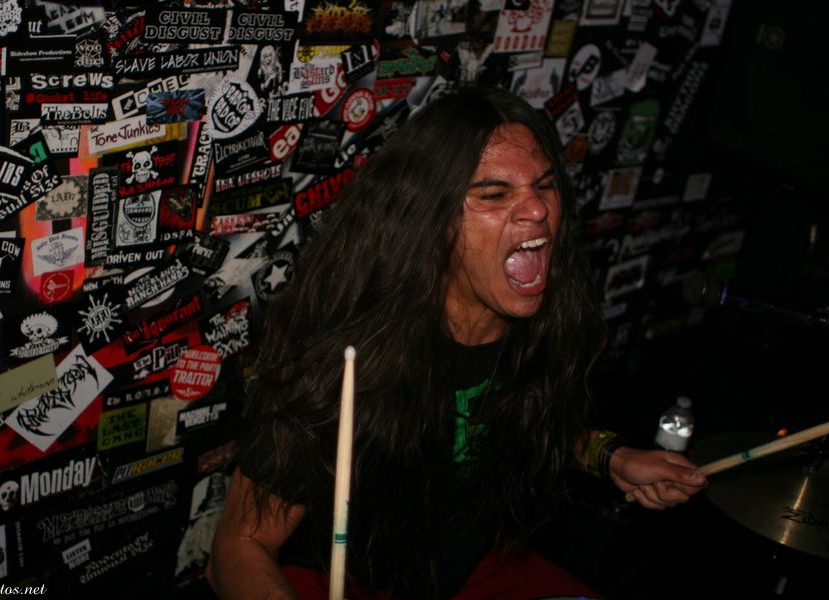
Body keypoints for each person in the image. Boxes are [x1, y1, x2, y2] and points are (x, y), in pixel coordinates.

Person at [206, 86, 706, 599]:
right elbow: (237, 548)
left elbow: (519, 422)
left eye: (545, 185)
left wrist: (612, 457)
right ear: (431, 219)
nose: (537, 208)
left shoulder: (546, 322)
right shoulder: (351, 356)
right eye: (494, 194)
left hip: (463, 576)